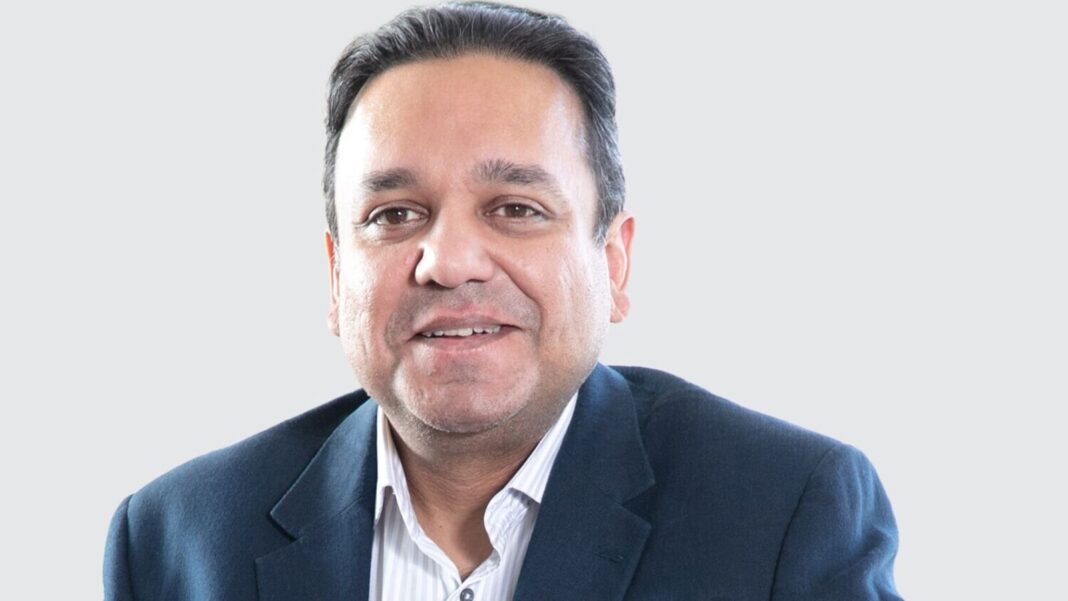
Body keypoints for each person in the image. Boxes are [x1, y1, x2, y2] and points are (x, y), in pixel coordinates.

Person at [104, 2, 902, 599]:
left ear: (613, 262)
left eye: (515, 209)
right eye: (394, 215)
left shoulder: (786, 514)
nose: (448, 263)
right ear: (334, 274)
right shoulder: (177, 542)